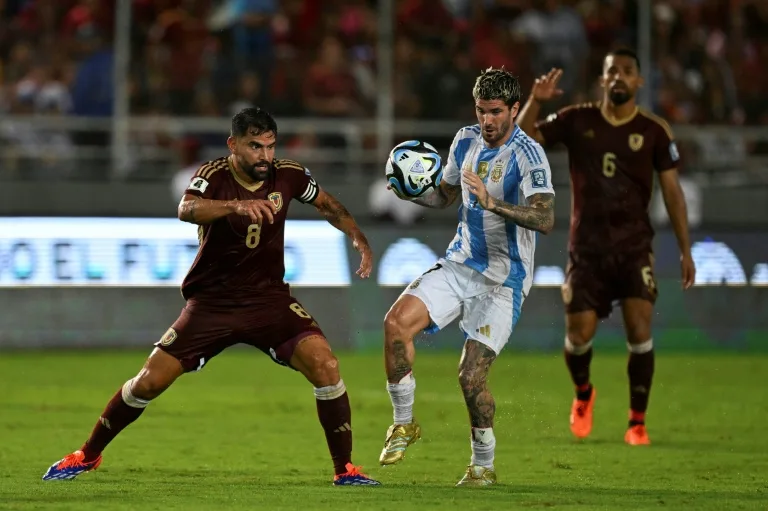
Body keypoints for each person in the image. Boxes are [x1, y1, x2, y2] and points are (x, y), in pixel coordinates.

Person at [43, 107, 380, 486]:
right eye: (255, 147)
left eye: (270, 146)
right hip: (212, 304)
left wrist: (357, 236)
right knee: (148, 382)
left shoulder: (289, 174)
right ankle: (87, 455)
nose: (265, 156)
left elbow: (327, 204)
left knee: (326, 365)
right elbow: (186, 208)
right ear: (233, 145)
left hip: (269, 301)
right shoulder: (213, 175)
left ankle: (345, 470)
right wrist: (234, 206)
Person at [380, 67, 556, 486]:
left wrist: (493, 204)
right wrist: (411, 192)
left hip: (504, 281)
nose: (487, 120)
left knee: (470, 376)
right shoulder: (464, 140)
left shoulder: (528, 154)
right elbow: (445, 196)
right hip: (460, 263)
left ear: (514, 109)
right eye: (481, 111)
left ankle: (482, 465)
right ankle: (403, 423)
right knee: (395, 324)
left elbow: (545, 218)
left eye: (496, 111)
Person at [516, 48, 696, 445]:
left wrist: (686, 249)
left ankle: (637, 422)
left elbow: (673, 193)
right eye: (612, 71)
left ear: (638, 81)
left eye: (627, 71)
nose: (619, 77)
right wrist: (535, 101)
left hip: (634, 248)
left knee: (639, 328)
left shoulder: (654, 131)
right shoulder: (577, 119)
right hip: (587, 250)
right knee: (578, 336)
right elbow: (522, 139)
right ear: (602, 79)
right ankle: (583, 393)